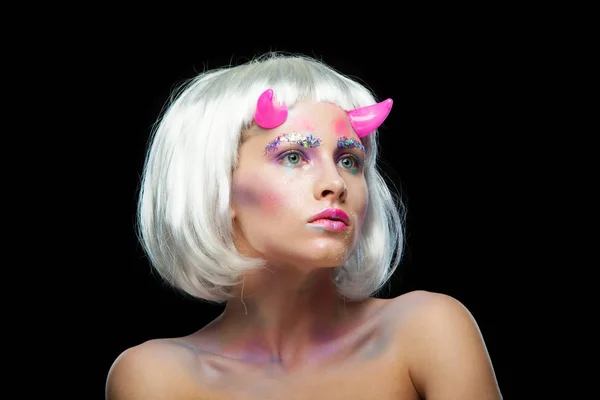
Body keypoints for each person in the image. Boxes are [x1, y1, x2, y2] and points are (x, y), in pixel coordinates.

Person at [106, 52, 502, 399]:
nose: (335, 184)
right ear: (218, 190)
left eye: (349, 160)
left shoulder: (426, 331)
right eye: (293, 156)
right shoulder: (157, 376)